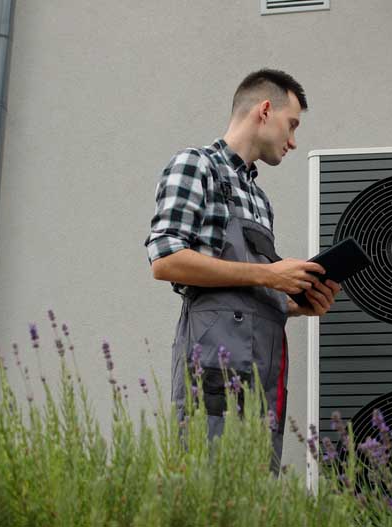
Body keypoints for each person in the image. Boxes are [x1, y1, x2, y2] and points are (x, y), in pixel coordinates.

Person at [145, 68, 341, 470]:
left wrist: (295, 301)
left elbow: (247, 288)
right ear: (265, 110)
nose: (293, 141)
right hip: (214, 367)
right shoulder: (195, 165)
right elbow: (165, 260)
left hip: (262, 373)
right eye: (292, 125)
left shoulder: (259, 198)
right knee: (209, 485)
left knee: (255, 495)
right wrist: (270, 275)